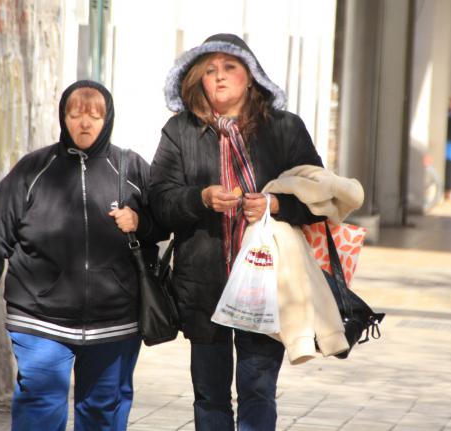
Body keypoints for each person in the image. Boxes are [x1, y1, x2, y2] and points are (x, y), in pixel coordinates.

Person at [0, 80, 164, 431]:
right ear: (63, 117)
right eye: (75, 114)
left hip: (115, 320)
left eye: (94, 115)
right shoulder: (32, 171)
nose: (85, 124)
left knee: (103, 412)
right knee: (39, 409)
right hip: (40, 319)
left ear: (108, 120)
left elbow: (165, 223)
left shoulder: (131, 168)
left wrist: (140, 221)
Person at [149, 33, 325, 430]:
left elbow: (318, 199)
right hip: (203, 286)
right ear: (197, 80)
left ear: (251, 77)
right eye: (210, 71)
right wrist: (201, 199)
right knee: (209, 396)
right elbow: (159, 201)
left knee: (258, 391)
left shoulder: (285, 129)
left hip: (265, 282)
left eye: (230, 68)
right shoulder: (179, 131)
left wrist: (275, 205)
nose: (220, 77)